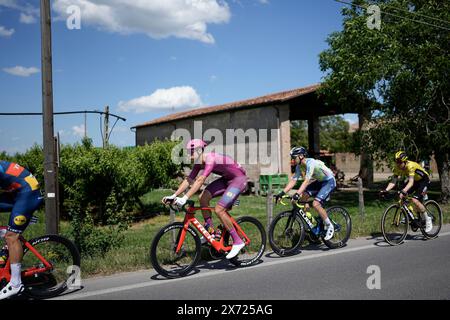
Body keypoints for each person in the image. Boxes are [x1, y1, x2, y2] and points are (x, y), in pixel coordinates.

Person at [162, 139, 248, 259]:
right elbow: (189, 180)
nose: (188, 155)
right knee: (203, 198)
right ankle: (210, 231)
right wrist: (174, 195)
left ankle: (238, 242)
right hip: (226, 179)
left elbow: (200, 180)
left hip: (238, 180)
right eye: (188, 152)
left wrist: (185, 198)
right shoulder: (198, 163)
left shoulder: (210, 159)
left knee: (219, 209)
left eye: (191, 152)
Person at [0, 161, 43, 299]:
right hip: (16, 191)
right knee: (7, 234)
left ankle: (16, 284)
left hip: (28, 193)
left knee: (11, 236)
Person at [275, 147, 336, 241]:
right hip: (320, 181)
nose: (292, 160)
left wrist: (296, 194)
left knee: (316, 204)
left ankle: (329, 226)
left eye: (293, 157)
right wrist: (282, 193)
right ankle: (310, 222)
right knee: (302, 199)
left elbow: (306, 181)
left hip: (329, 181)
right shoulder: (299, 166)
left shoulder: (310, 163)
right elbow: (293, 181)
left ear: (301, 156)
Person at [380, 151, 432, 232]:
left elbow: (410, 182)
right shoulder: (397, 167)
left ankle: (428, 219)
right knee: (403, 196)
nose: (398, 164)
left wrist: (403, 191)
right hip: (415, 181)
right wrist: (386, 190)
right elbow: (393, 181)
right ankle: (409, 213)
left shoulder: (410, 166)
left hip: (424, 180)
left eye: (400, 162)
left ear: (404, 161)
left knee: (415, 199)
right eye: (396, 162)